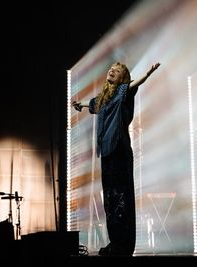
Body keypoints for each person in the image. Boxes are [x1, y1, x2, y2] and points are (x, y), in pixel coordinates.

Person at [72, 61, 161, 256]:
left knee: (121, 198)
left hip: (119, 150)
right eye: (110, 68)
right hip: (107, 152)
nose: (111, 70)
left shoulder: (124, 91)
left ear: (122, 76)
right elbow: (93, 103)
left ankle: (123, 244)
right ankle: (115, 242)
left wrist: (148, 73)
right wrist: (81, 104)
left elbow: (134, 84)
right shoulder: (104, 98)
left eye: (117, 69)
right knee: (111, 200)